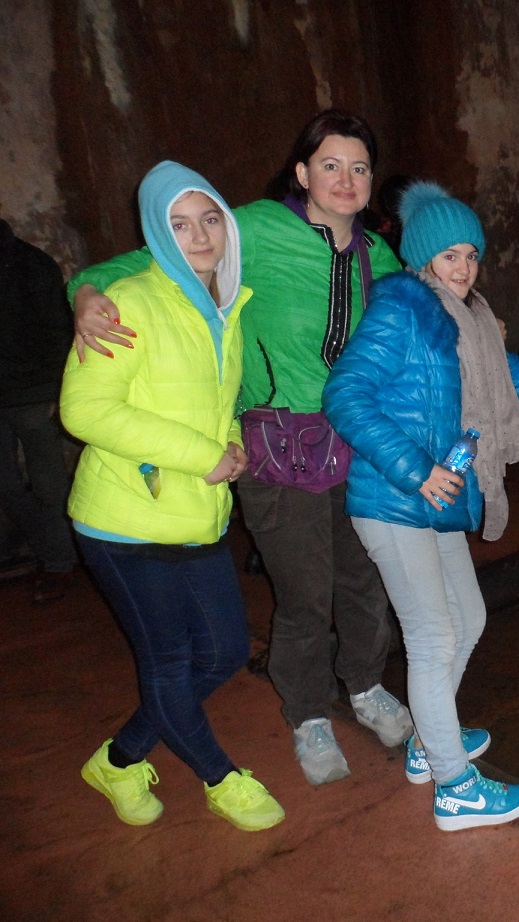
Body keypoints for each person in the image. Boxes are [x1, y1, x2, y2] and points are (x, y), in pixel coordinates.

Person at [69, 110, 412, 787]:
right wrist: (85, 295)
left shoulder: (380, 253)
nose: (346, 179)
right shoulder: (251, 228)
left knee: (366, 578)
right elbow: (131, 265)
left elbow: (414, 321)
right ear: (302, 172)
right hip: (280, 449)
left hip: (361, 442)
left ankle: (366, 684)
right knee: (305, 592)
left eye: (360, 167)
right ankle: (308, 712)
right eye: (331, 165)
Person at [322, 181, 519, 830]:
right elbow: (345, 394)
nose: (464, 267)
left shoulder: (470, 321)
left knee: (467, 617)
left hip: (439, 499)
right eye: (450, 255)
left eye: (471, 255)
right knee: (433, 636)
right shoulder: (403, 307)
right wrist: (417, 470)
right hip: (395, 498)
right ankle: (454, 787)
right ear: (423, 258)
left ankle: (429, 741)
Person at [64, 161, 283, 831]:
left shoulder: (226, 306)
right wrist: (202, 455)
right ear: (157, 235)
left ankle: (119, 759)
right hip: (124, 521)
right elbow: (84, 410)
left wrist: (230, 445)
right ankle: (222, 778)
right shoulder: (128, 302)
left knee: (223, 651)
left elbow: (211, 404)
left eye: (210, 219)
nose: (200, 236)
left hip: (194, 514)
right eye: (179, 224)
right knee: (169, 660)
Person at [0, 212, 78, 601]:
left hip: (32, 393)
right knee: (7, 485)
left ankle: (61, 562)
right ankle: (57, 548)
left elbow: (57, 330)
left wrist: (56, 390)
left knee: (49, 483)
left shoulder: (30, 264)